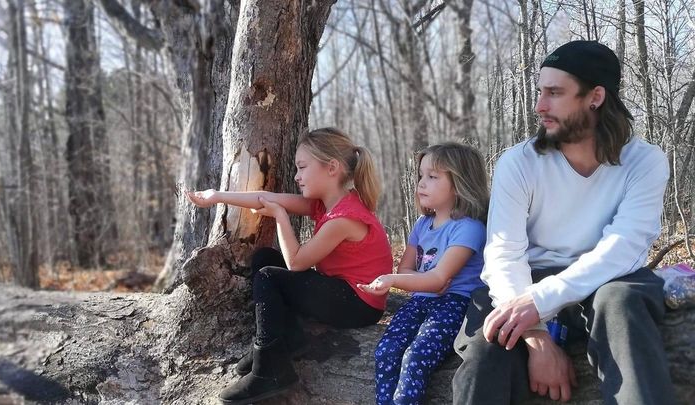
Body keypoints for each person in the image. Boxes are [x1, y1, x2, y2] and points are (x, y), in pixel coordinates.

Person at [451, 40, 676, 405]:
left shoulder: (644, 162)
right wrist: (536, 336)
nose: (539, 105)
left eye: (554, 93)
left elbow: (622, 248)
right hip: (527, 281)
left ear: (595, 97)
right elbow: (504, 254)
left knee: (621, 304)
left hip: (610, 281)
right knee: (488, 348)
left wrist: (539, 303)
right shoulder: (519, 163)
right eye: (541, 91)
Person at [186, 127, 393, 404]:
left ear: (331, 168)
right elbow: (266, 198)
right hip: (342, 292)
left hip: (359, 304)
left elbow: (296, 262)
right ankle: (289, 338)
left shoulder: (344, 218)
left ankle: (271, 369)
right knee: (265, 258)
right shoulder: (328, 203)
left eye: (302, 167)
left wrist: (281, 216)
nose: (296, 176)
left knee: (270, 277)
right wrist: (217, 196)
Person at [358, 143, 489, 404]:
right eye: (420, 175)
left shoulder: (469, 228)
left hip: (454, 304)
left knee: (415, 356)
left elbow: (439, 280)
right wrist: (419, 281)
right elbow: (406, 269)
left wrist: (399, 280)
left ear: (460, 183)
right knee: (386, 350)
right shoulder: (422, 224)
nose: (421, 183)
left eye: (433, 176)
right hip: (419, 301)